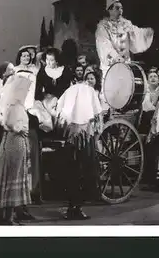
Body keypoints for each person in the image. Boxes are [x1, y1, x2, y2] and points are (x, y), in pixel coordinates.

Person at [56, 77, 104, 219]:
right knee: (83, 171)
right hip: (83, 140)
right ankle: (76, 207)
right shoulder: (88, 91)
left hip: (72, 138)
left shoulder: (71, 91)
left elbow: (60, 111)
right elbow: (96, 113)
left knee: (73, 173)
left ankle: (73, 206)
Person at [0, 75, 37, 225]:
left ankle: (10, 215)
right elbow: (11, 125)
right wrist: (21, 129)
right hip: (15, 143)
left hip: (14, 142)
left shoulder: (13, 105)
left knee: (13, 176)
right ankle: (9, 217)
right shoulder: (15, 107)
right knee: (13, 176)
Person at [95, 0, 154, 80]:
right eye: (117, 8)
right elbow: (104, 45)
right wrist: (115, 57)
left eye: (121, 8)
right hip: (111, 66)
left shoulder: (126, 24)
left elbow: (137, 33)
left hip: (126, 64)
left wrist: (147, 33)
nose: (120, 11)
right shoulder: (103, 27)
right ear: (110, 10)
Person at [14, 45, 39, 110]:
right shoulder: (15, 69)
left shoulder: (34, 69)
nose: (26, 58)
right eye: (24, 56)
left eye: (28, 56)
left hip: (32, 95)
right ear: (19, 58)